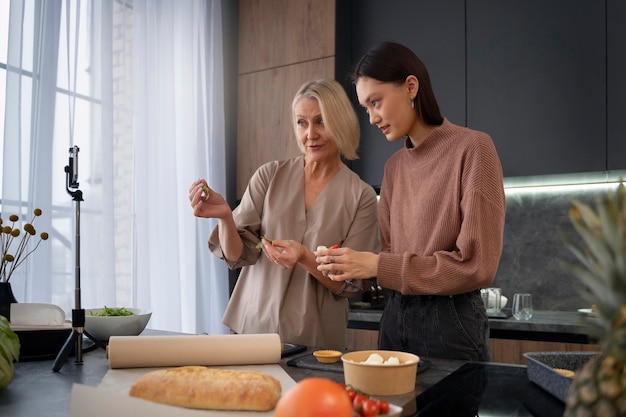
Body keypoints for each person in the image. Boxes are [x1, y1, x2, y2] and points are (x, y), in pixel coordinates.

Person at [315, 42, 506, 361]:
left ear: (411, 86)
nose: (372, 118)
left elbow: (476, 266)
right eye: (365, 108)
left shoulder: (473, 149)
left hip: (449, 321)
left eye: (376, 102)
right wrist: (351, 264)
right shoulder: (394, 167)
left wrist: (377, 264)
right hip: (394, 317)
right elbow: (390, 258)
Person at [189, 78, 380, 350]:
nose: (310, 134)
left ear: (340, 122)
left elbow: (350, 284)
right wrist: (225, 217)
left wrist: (304, 256)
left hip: (314, 342)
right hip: (252, 331)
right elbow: (236, 255)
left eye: (321, 121)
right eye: (302, 123)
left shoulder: (360, 196)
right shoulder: (270, 175)